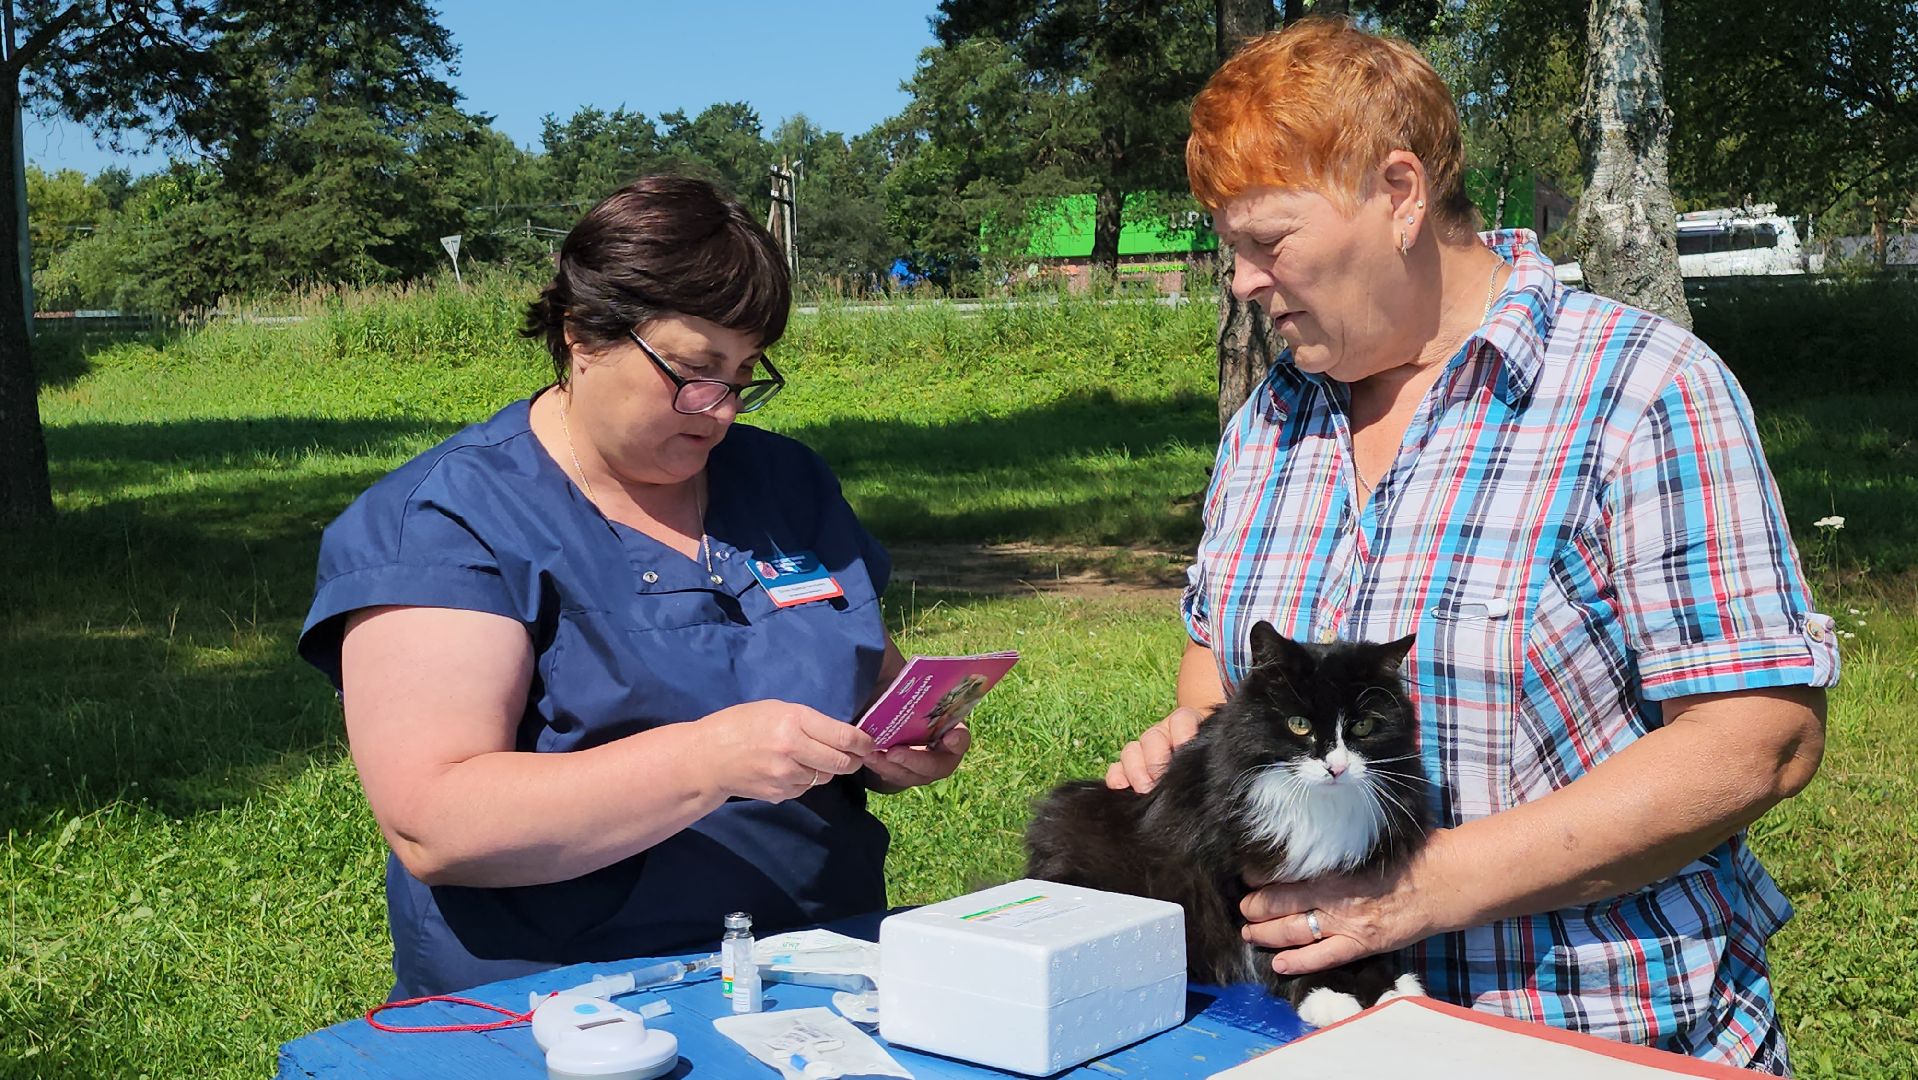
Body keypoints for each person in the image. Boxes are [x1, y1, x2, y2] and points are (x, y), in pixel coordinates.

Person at [1105, 20, 1833, 1073]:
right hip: (1301, 1033)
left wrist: (1418, 890)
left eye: (1267, 241)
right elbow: (1217, 660)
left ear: (1399, 193)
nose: (1242, 281)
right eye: (1230, 249)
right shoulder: (1270, 424)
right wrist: (1198, 726)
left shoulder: (1639, 391)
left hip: (1585, 1033)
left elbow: (1758, 734)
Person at [298, 175, 968, 999]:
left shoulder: (785, 483)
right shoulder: (449, 519)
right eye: (692, 370)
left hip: (816, 964)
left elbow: (860, 668)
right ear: (584, 335)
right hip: (561, 999)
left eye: (745, 373)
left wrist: (893, 737)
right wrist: (706, 759)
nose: (719, 409)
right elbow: (436, 820)